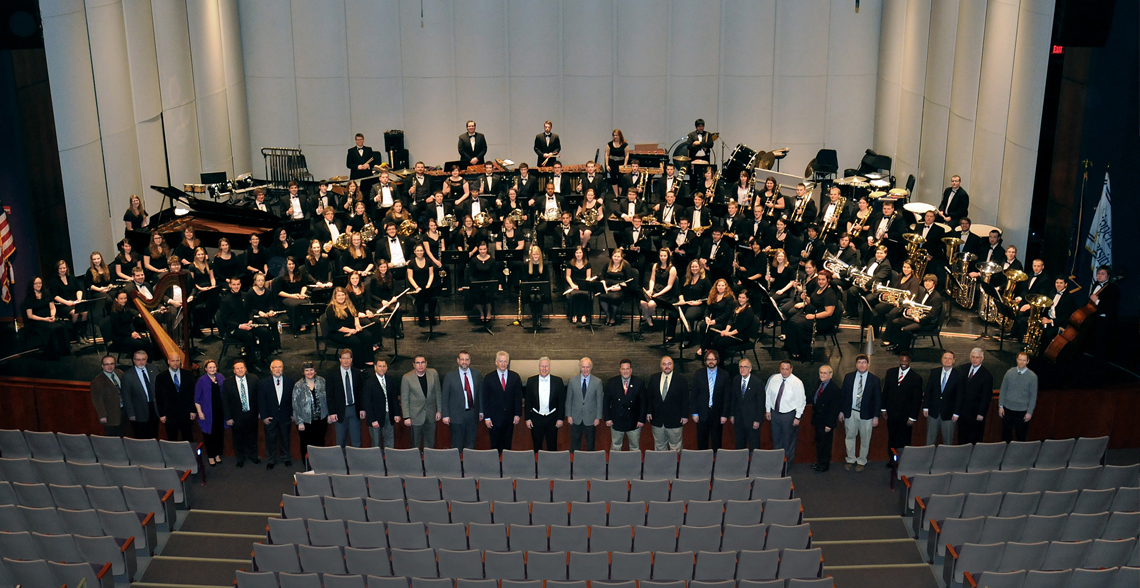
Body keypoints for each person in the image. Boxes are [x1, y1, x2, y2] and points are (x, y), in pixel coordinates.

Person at [784, 270, 840, 361]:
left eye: (823, 280)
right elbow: (814, 301)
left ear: (828, 280)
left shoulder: (830, 294)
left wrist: (814, 316)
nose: (820, 282)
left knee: (799, 324)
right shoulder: (818, 288)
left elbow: (829, 312)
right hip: (812, 314)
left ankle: (801, 352)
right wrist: (806, 298)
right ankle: (791, 348)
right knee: (792, 320)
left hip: (823, 321)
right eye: (819, 279)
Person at [838, 354, 881, 472]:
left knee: (865, 439)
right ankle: (850, 459)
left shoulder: (874, 379)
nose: (861, 365)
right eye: (859, 362)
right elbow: (843, 395)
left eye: (864, 362)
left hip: (867, 415)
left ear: (868, 364)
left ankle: (862, 460)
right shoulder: (848, 377)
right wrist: (841, 411)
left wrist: (876, 416)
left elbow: (878, 400)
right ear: (856, 364)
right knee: (850, 437)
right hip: (850, 413)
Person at [219, 276, 274, 367]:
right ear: (230, 285)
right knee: (249, 336)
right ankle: (251, 363)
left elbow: (250, 310)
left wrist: (250, 320)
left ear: (240, 285)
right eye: (234, 284)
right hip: (234, 328)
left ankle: (264, 357)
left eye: (238, 284)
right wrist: (240, 326)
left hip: (247, 325)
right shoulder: (225, 300)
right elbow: (225, 320)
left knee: (265, 331)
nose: (236, 287)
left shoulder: (245, 295)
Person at [881, 352, 923, 466]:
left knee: (904, 439)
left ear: (909, 362)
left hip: (906, 416)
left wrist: (912, 417)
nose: (903, 363)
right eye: (902, 360)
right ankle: (892, 459)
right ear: (899, 360)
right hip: (892, 414)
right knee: (892, 437)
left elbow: (917, 400)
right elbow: (886, 391)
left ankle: (902, 460)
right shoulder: (891, 372)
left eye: (906, 361)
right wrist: (883, 408)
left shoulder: (916, 378)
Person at [887, 274, 944, 352]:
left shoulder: (937, 297)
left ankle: (904, 351)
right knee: (895, 322)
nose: (927, 283)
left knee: (906, 329)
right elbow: (918, 306)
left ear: (934, 283)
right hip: (918, 318)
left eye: (930, 281)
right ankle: (897, 344)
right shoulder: (923, 292)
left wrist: (920, 320)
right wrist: (910, 311)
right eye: (925, 281)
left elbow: (933, 315)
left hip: (927, 323)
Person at [325, 287, 377, 369]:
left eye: (343, 295)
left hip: (352, 329)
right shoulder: (331, 308)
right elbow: (335, 326)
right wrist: (350, 330)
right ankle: (358, 366)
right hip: (338, 332)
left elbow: (355, 315)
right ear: (335, 297)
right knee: (356, 341)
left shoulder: (349, 304)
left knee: (368, 336)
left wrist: (357, 325)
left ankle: (368, 360)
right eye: (339, 295)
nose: (341, 297)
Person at [222, 359, 261, 467]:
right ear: (234, 370)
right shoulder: (227, 383)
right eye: (237, 368)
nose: (240, 370)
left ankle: (254, 456)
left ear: (245, 368)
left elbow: (259, 397)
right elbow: (225, 402)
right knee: (238, 438)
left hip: (252, 414)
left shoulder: (254, 379)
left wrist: (260, 412)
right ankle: (240, 458)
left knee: (252, 437)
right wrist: (228, 417)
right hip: (236, 416)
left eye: (242, 368)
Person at [442, 350, 484, 450]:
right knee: (456, 444)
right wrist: (445, 414)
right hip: (456, 416)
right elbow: (445, 396)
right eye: (462, 359)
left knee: (471, 443)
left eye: (466, 359)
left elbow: (480, 394)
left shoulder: (477, 374)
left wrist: (481, 411)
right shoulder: (450, 376)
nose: (464, 362)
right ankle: (457, 465)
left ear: (469, 361)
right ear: (458, 360)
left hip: (472, 414)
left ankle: (469, 465)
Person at [482, 351, 523, 452]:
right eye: (501, 361)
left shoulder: (515, 377)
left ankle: (506, 467)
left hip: (510, 418)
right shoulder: (489, 378)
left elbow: (518, 397)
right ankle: (496, 467)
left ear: (508, 362)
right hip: (494, 419)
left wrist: (517, 414)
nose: (503, 364)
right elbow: (485, 399)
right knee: (495, 445)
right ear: (496, 362)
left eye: (505, 361)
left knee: (507, 445)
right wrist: (487, 417)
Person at [765, 360, 805, 461]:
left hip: (789, 415)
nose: (784, 372)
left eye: (787, 369)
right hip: (775, 414)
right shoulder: (774, 379)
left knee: (788, 441)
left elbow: (801, 401)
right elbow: (768, 395)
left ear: (791, 369)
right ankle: (776, 463)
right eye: (782, 369)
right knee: (776, 439)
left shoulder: (797, 383)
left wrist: (798, 417)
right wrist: (768, 410)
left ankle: (786, 464)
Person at [21, 277, 71, 358]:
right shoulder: (29, 299)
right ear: (32, 285)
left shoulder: (47, 294)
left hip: (49, 318)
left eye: (40, 283)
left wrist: (52, 316)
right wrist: (44, 319)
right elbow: (30, 315)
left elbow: (52, 307)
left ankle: (64, 350)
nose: (38, 285)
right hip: (37, 321)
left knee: (62, 325)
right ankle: (54, 351)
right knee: (51, 328)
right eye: (36, 283)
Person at [690, 349, 729, 451]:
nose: (711, 361)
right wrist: (694, 413)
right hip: (702, 414)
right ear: (705, 361)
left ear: (717, 360)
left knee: (717, 441)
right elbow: (694, 394)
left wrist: (724, 414)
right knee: (702, 442)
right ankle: (703, 465)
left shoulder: (724, 375)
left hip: (717, 414)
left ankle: (717, 464)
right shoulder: (699, 374)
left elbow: (726, 397)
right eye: (708, 359)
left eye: (713, 359)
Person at [647, 356, 689, 452]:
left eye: (669, 364)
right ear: (661, 366)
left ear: (673, 365)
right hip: (657, 420)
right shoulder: (654, 378)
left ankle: (675, 467)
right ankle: (662, 467)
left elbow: (685, 399)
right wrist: (648, 412)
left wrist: (685, 415)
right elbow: (649, 397)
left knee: (676, 447)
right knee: (659, 446)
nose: (667, 366)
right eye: (664, 364)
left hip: (675, 420)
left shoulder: (681, 379)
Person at [604, 358, 646, 451]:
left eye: (627, 369)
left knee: (634, 446)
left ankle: (634, 465)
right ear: (620, 370)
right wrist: (608, 418)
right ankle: (614, 465)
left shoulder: (639, 382)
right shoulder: (612, 382)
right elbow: (606, 401)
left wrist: (641, 419)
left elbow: (643, 403)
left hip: (634, 422)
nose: (625, 371)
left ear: (631, 369)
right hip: (616, 421)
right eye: (623, 369)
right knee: (615, 446)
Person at [259, 359, 295, 468]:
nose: (278, 369)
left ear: (283, 369)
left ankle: (286, 458)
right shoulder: (263, 383)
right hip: (270, 416)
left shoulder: (290, 381)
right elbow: (261, 401)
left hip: (285, 415)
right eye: (275, 367)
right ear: (271, 369)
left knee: (285, 439)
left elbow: (293, 399)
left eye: (280, 367)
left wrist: (293, 413)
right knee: (270, 440)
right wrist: (264, 416)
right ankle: (271, 460)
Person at [524, 357, 565, 452]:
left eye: (546, 366)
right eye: (542, 366)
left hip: (552, 418)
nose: (544, 368)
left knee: (552, 445)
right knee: (537, 445)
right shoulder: (531, 381)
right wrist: (527, 418)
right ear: (539, 367)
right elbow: (528, 401)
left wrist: (560, 418)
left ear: (549, 367)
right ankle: (538, 466)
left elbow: (561, 402)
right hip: (536, 418)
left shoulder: (558, 381)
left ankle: (552, 466)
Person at [326, 349, 365, 448]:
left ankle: (355, 463)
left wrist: (362, 408)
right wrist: (332, 412)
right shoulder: (332, 375)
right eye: (344, 358)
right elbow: (329, 396)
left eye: (348, 358)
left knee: (356, 441)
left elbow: (361, 393)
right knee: (341, 441)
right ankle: (341, 463)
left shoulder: (357, 373)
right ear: (340, 359)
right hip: (340, 412)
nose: (346, 361)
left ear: (351, 359)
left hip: (354, 410)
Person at [401, 355, 441, 450]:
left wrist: (439, 410)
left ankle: (429, 462)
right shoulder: (407, 378)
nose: (420, 365)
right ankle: (416, 463)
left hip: (431, 414)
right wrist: (406, 416)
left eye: (422, 362)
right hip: (415, 416)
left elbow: (438, 393)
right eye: (417, 363)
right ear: (414, 364)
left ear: (426, 363)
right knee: (415, 444)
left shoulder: (433, 374)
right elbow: (404, 398)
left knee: (430, 443)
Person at [955, 348, 993, 444]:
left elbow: (986, 396)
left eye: (977, 357)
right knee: (961, 437)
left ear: (982, 358)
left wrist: (981, 413)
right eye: (973, 357)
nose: (975, 359)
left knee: (974, 438)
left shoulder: (987, 375)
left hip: (975, 413)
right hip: (962, 412)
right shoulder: (964, 368)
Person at [923, 350, 962, 445]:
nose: (947, 360)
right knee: (930, 440)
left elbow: (960, 396)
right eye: (945, 358)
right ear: (942, 359)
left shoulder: (959, 376)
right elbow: (928, 391)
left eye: (950, 359)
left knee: (948, 441)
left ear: (953, 360)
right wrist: (925, 406)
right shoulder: (934, 372)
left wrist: (956, 413)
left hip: (949, 415)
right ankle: (929, 459)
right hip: (933, 412)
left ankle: (946, 460)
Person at [292, 361, 329, 462]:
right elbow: (295, 405)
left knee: (320, 441)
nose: (309, 372)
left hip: (321, 419)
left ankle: (321, 462)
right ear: (303, 372)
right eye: (306, 370)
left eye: (311, 370)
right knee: (306, 443)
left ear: (315, 370)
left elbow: (327, 399)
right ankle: (308, 464)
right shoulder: (298, 385)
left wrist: (328, 415)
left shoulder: (322, 381)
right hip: (305, 421)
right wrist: (299, 422)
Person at [566, 357, 604, 453]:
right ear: (580, 367)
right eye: (583, 367)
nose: (585, 369)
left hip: (591, 419)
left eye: (587, 367)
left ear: (591, 367)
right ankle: (573, 465)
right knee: (574, 444)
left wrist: (598, 417)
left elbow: (599, 401)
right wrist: (569, 415)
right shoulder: (572, 381)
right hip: (575, 418)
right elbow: (569, 399)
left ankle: (589, 466)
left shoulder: (597, 382)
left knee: (590, 445)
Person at [363, 356, 401, 449]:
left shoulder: (390, 380)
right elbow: (367, 403)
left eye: (384, 366)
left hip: (389, 415)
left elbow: (394, 398)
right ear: (375, 367)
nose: (382, 368)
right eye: (380, 366)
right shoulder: (368, 383)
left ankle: (389, 462)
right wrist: (372, 419)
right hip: (375, 418)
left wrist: (397, 413)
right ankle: (377, 463)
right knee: (376, 444)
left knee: (390, 442)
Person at [808, 365, 841, 473]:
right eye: (821, 372)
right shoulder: (819, 383)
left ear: (831, 375)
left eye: (825, 373)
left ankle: (824, 464)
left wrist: (829, 424)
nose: (822, 375)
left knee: (825, 444)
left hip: (826, 422)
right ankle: (819, 462)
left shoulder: (834, 389)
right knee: (818, 442)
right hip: (818, 420)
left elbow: (834, 409)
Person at [998, 352, 1037, 442]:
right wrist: (1000, 406)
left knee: (1021, 436)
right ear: (1016, 360)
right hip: (1007, 409)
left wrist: (1029, 412)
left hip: (1022, 411)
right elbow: (1003, 389)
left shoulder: (1032, 377)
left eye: (1024, 360)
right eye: (1020, 360)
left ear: (1028, 361)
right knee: (1006, 435)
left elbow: (1033, 396)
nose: (1022, 362)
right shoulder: (1009, 372)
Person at [156, 354, 196, 442]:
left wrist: (193, 410)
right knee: (172, 437)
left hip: (185, 412)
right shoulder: (161, 377)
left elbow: (192, 393)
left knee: (188, 436)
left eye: (177, 361)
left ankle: (188, 455)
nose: (175, 363)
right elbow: (159, 396)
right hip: (170, 413)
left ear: (180, 361)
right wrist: (162, 414)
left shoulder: (187, 374)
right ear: (168, 361)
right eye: (173, 361)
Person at [194, 359, 226, 466]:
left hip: (220, 412)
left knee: (219, 434)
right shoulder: (201, 380)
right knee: (209, 435)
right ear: (206, 369)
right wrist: (200, 412)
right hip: (208, 413)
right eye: (210, 367)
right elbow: (197, 398)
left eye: (214, 367)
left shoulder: (221, 377)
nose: (212, 369)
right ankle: (211, 456)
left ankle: (217, 455)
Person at [727, 358, 763, 451]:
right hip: (739, 419)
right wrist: (732, 415)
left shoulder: (757, 383)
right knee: (739, 444)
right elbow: (733, 398)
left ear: (750, 369)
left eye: (745, 367)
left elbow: (760, 403)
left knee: (754, 444)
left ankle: (754, 465)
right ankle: (740, 464)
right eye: (741, 367)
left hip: (752, 420)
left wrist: (757, 420)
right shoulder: (736, 380)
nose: (742, 369)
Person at [49, 260, 89, 344]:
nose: (63, 270)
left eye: (64, 268)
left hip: (74, 302)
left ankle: (83, 334)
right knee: (75, 313)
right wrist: (67, 302)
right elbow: (55, 296)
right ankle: (77, 335)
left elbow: (79, 289)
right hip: (62, 305)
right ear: (57, 269)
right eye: (61, 268)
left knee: (85, 312)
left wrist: (79, 299)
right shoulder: (54, 280)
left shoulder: (72, 278)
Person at [122, 350, 159, 439]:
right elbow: (126, 396)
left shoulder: (153, 369)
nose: (141, 362)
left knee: (154, 435)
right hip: (138, 412)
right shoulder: (127, 375)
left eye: (143, 359)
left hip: (154, 408)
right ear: (134, 360)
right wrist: (131, 414)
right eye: (138, 360)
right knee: (141, 437)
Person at [91, 355, 126, 437]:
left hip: (123, 410)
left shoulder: (119, 373)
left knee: (123, 433)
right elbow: (97, 400)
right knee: (112, 436)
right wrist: (102, 415)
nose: (109, 367)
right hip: (111, 414)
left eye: (112, 364)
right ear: (102, 366)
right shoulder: (97, 381)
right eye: (106, 364)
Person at [605, 129, 629, 200]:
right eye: (614, 135)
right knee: (613, 179)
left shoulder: (625, 145)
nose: (615, 137)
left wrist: (625, 164)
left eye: (617, 135)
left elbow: (627, 155)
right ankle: (616, 195)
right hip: (612, 163)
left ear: (620, 136)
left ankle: (621, 196)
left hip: (621, 163)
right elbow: (607, 154)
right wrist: (607, 165)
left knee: (621, 180)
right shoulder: (609, 144)